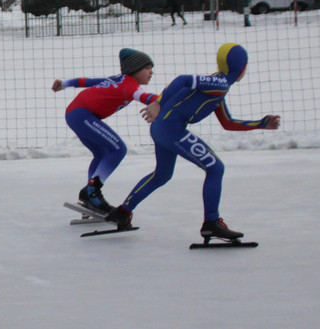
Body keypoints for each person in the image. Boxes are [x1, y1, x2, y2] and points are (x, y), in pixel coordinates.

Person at [105, 43, 281, 241]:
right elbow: (183, 79)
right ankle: (211, 223)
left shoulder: (219, 87)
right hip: (171, 128)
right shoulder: (219, 84)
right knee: (215, 168)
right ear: (241, 66)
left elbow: (227, 123)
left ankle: (122, 212)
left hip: (162, 128)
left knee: (162, 174)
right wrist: (158, 102)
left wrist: (261, 124)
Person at [52, 48, 158, 215]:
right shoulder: (130, 85)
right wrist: (167, 100)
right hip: (82, 114)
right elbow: (146, 97)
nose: (151, 72)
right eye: (147, 68)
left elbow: (88, 81)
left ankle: (89, 195)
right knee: (118, 149)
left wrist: (64, 84)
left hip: (76, 114)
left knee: (101, 153)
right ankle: (92, 192)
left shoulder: (118, 79)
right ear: (135, 69)